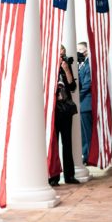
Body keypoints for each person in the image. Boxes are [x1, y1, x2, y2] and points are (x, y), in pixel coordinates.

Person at [48, 45, 80, 186]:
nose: (63, 56)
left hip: (65, 110)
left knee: (67, 143)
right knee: (53, 144)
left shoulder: (66, 66)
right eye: (61, 54)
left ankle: (69, 176)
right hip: (52, 110)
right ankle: (53, 176)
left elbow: (72, 87)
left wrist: (66, 69)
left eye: (64, 53)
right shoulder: (47, 66)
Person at [77, 42, 92, 165]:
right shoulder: (81, 64)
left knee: (88, 133)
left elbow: (87, 84)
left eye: (81, 49)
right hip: (82, 104)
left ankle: (89, 156)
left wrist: (77, 96)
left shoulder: (89, 64)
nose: (79, 52)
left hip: (86, 103)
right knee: (82, 133)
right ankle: (85, 154)